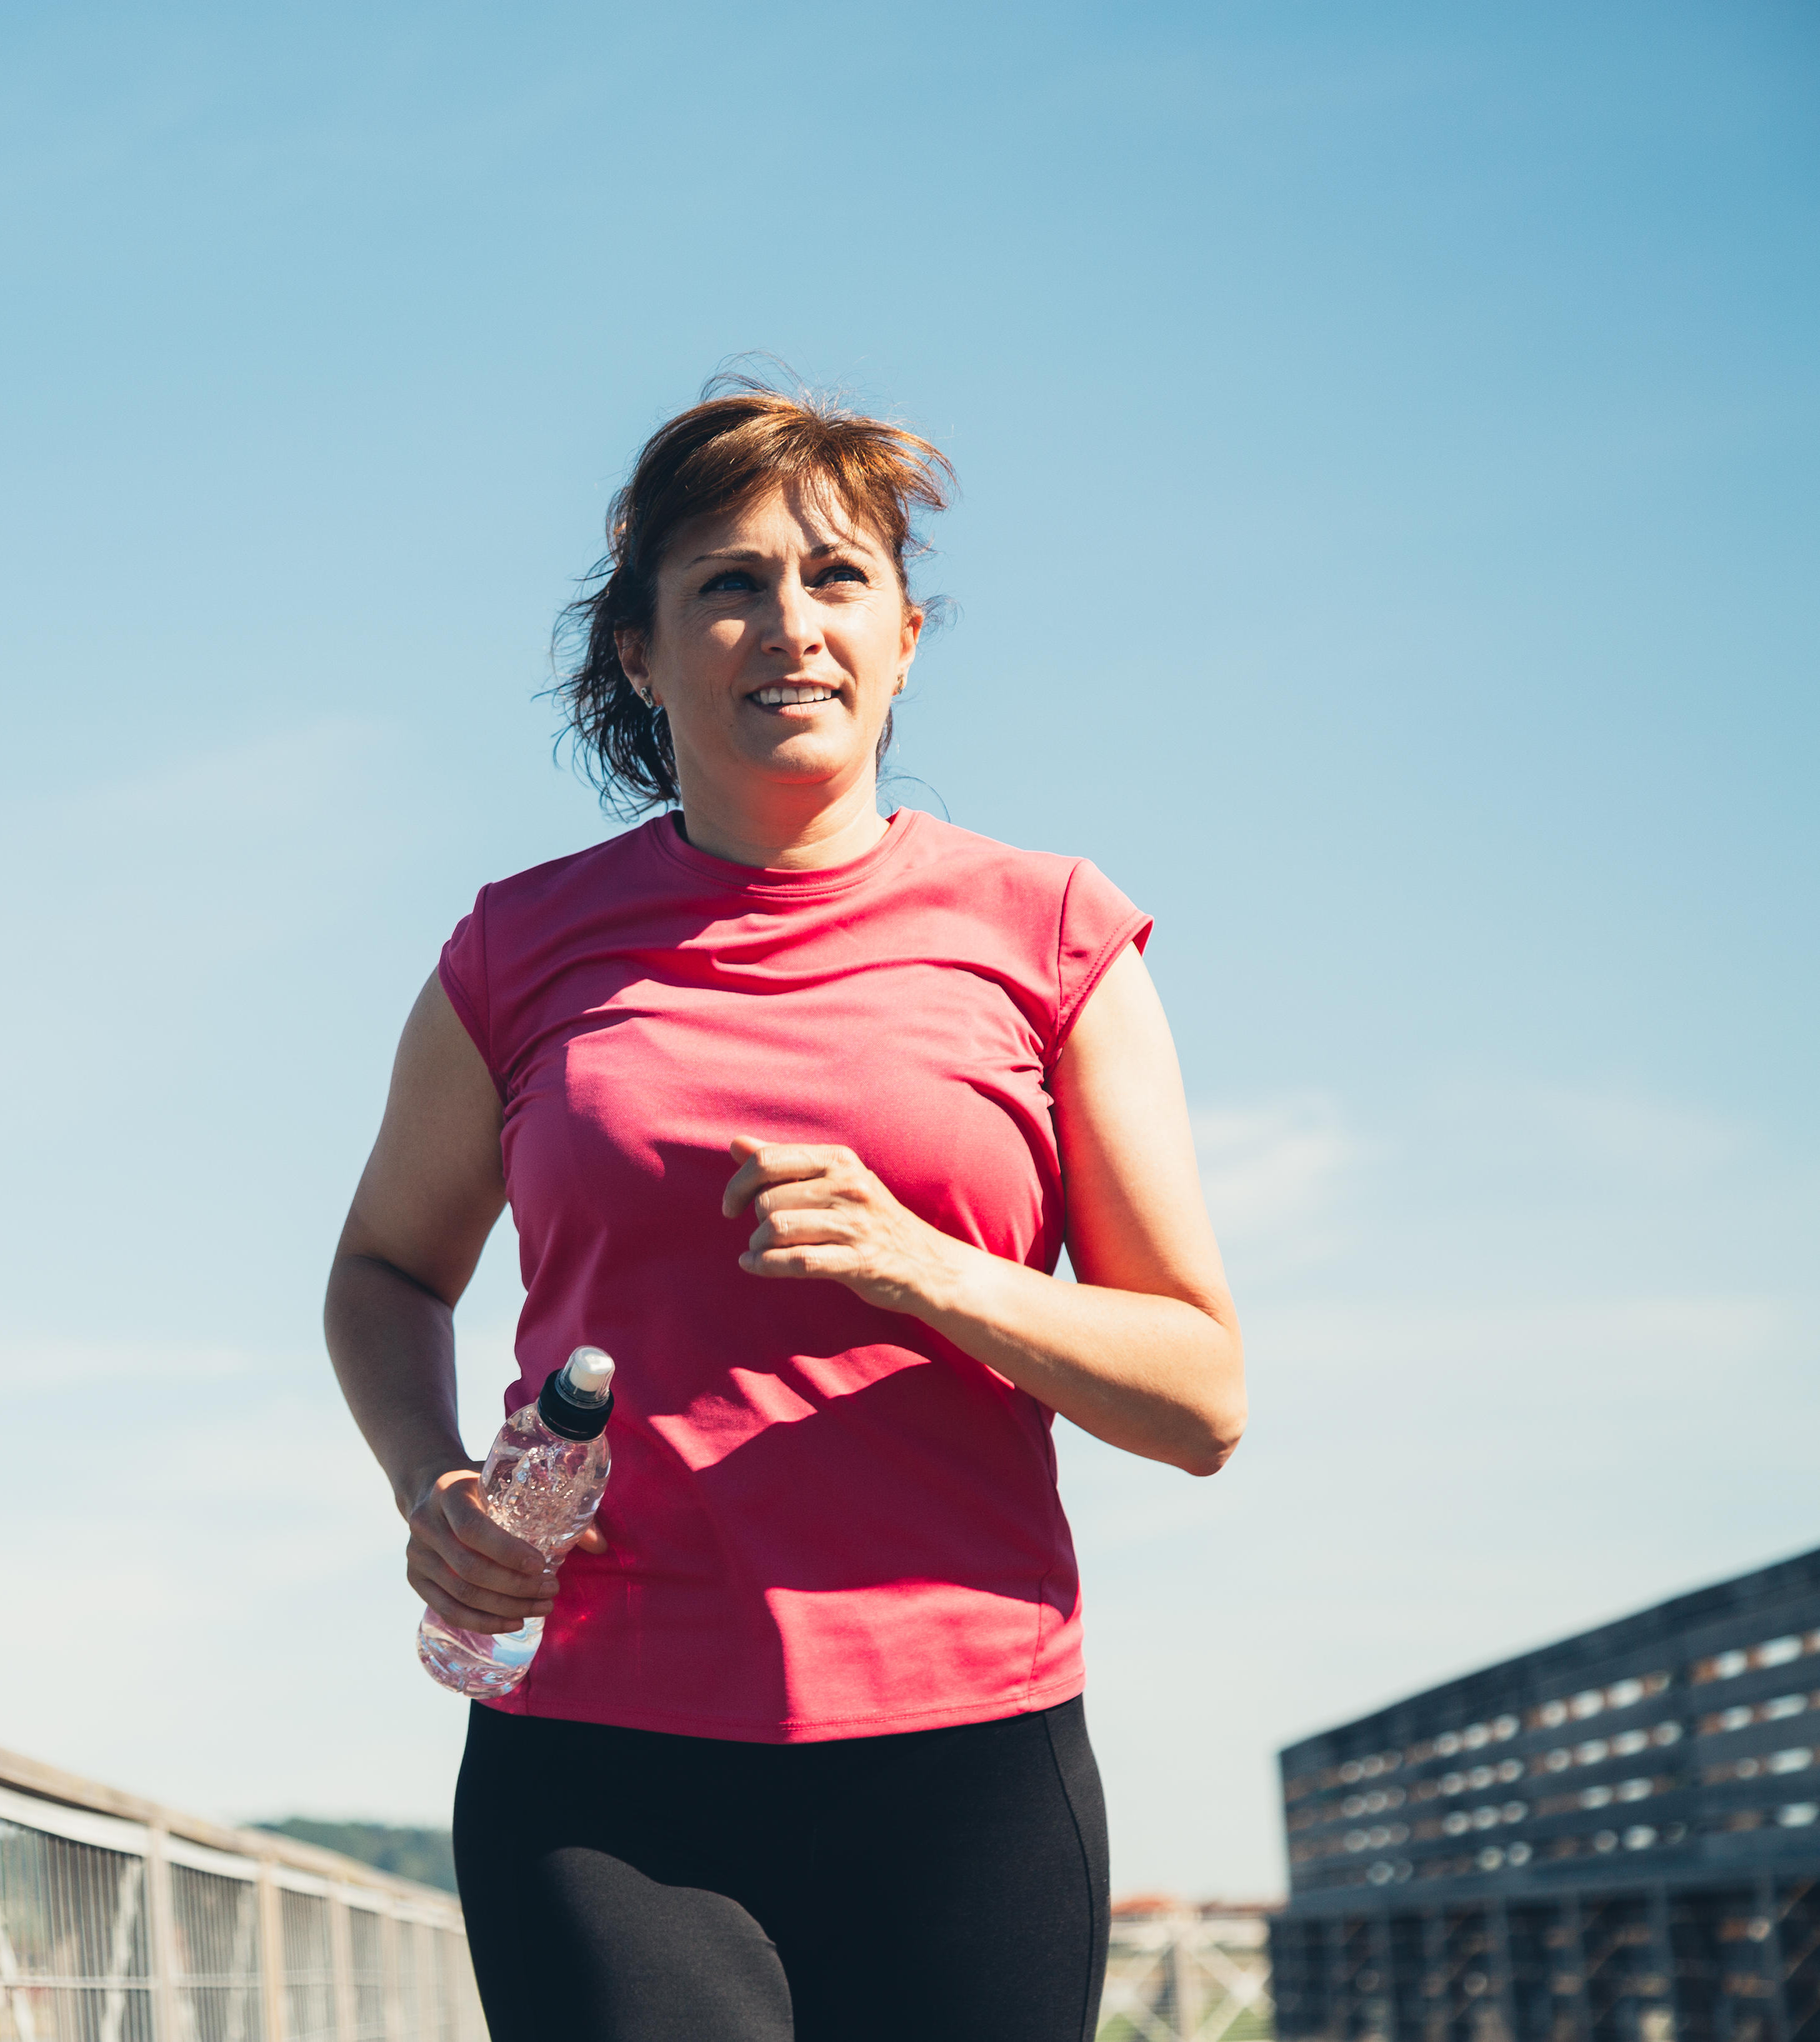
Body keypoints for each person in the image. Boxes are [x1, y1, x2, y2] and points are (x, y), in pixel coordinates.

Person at [322, 381, 1244, 2042]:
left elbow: (1197, 1395)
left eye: (835, 579)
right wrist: (431, 1481)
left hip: (964, 1750)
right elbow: (386, 1266)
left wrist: (923, 1264)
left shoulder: (1048, 934)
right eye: (727, 583)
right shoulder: (517, 948)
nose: (786, 623)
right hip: (602, 1753)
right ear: (639, 649)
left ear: (903, 634)